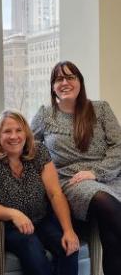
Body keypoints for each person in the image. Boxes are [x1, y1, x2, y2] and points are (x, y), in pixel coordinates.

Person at [31, 60, 121, 275]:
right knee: (103, 201)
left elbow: (118, 145)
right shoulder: (45, 114)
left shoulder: (100, 109)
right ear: (53, 86)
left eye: (70, 77)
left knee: (112, 236)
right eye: (59, 79)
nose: (64, 82)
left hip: (110, 175)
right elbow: (27, 146)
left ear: (80, 82)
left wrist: (96, 172)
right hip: (71, 181)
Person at [0, 109, 79, 275]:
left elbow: (55, 194)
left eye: (18, 130)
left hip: (42, 218)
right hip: (10, 226)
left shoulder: (39, 152)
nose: (14, 136)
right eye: (7, 131)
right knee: (32, 250)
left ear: (26, 133)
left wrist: (69, 230)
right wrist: (14, 214)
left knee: (69, 246)